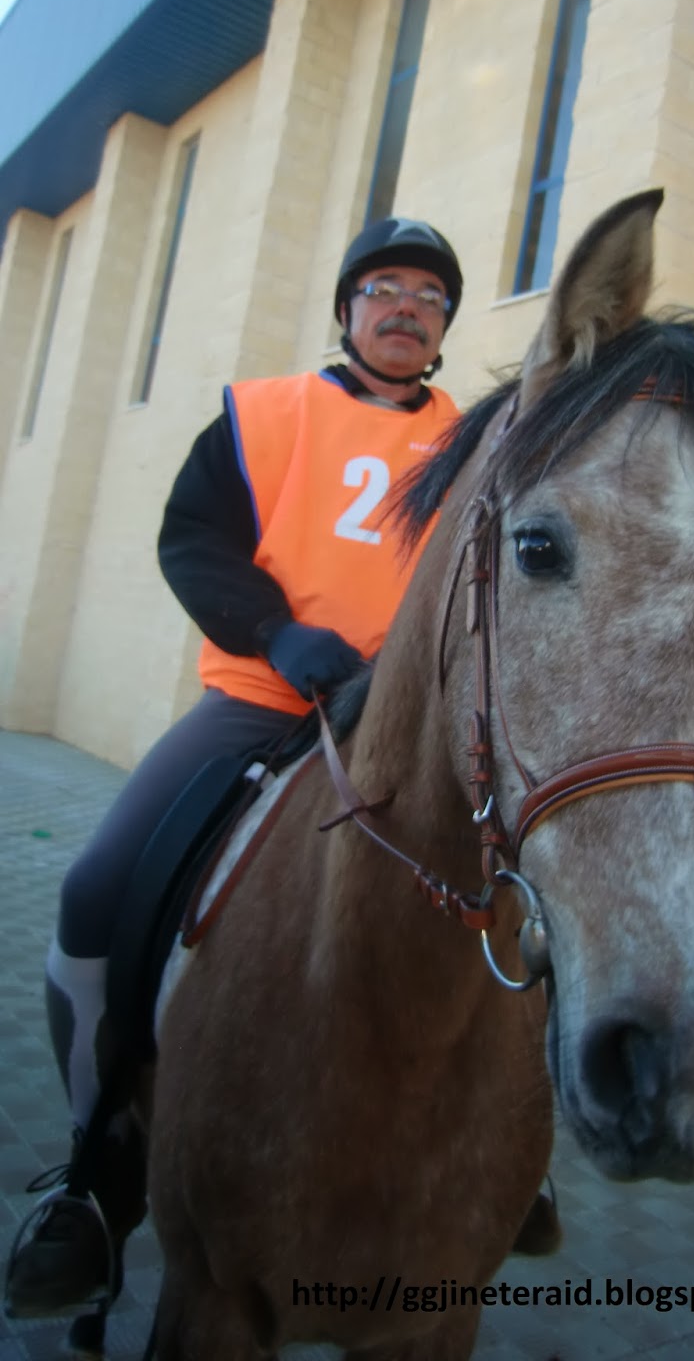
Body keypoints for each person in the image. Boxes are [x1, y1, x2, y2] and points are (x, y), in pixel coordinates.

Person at [5, 217, 463, 1320]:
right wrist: (275, 632)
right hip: (262, 702)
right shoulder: (262, 413)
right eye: (384, 288)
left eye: (428, 295)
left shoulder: (474, 436)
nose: (405, 308)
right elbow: (191, 538)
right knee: (94, 892)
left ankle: (510, 1149)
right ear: (347, 310)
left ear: (444, 324)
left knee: (533, 889)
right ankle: (98, 1169)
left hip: (411, 726)